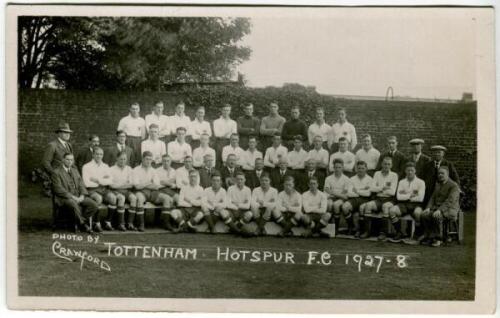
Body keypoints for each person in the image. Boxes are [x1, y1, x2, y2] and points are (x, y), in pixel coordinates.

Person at [51, 152, 101, 233]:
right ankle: (83, 225)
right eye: (67, 159)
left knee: (94, 205)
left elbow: (81, 184)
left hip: (78, 196)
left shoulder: (75, 170)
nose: (69, 162)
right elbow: (58, 189)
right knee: (73, 204)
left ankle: (77, 222)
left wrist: (82, 195)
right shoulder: (56, 172)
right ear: (63, 160)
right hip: (64, 198)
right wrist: (72, 197)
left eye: (71, 160)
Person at [132, 151, 173, 232]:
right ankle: (141, 224)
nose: (148, 161)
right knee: (139, 199)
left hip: (153, 192)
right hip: (141, 192)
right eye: (147, 159)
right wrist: (149, 182)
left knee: (167, 198)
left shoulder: (153, 170)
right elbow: (137, 186)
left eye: (150, 159)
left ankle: (166, 223)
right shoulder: (136, 170)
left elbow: (157, 186)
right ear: (142, 159)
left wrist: (144, 184)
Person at [421, 166, 461, 247]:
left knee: (437, 216)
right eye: (439, 173)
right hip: (437, 208)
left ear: (447, 174)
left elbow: (450, 201)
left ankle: (439, 239)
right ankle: (429, 237)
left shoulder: (454, 186)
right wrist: (428, 208)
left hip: (450, 209)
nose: (440, 175)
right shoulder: (438, 184)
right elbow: (432, 197)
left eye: (442, 173)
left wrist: (440, 210)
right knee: (424, 215)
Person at [388, 162, 426, 242]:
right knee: (392, 211)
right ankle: (399, 232)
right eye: (408, 170)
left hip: (417, 204)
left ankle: (417, 233)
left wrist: (405, 194)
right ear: (405, 171)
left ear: (415, 171)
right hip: (404, 204)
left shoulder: (421, 182)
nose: (410, 172)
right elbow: (399, 197)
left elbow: (420, 198)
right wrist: (410, 195)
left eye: (412, 170)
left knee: (418, 213)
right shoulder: (402, 182)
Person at [364, 156, 398, 240]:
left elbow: (392, 192)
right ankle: (367, 231)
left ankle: (383, 233)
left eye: (388, 164)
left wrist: (378, 188)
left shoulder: (394, 175)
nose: (386, 166)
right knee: (368, 205)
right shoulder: (377, 174)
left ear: (391, 165)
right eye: (385, 164)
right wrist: (383, 188)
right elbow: (372, 188)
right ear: (382, 164)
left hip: (390, 199)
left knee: (385, 207)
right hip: (378, 198)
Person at [81, 147, 115, 230]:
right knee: (98, 198)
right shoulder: (86, 166)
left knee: (113, 198)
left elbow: (110, 181)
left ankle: (108, 222)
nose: (99, 156)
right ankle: (97, 222)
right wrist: (103, 179)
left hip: (103, 189)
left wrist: (97, 180)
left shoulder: (105, 166)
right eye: (97, 154)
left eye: (101, 154)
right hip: (91, 190)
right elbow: (87, 183)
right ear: (93, 155)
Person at [341, 161, 373, 238]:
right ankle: (351, 227)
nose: (361, 170)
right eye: (359, 168)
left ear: (366, 169)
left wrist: (357, 190)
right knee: (345, 207)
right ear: (356, 169)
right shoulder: (352, 179)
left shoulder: (370, 179)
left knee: (362, 209)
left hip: (365, 199)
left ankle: (360, 230)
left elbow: (368, 194)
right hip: (354, 199)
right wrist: (362, 190)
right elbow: (349, 193)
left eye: (362, 168)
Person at [109, 151, 137, 231]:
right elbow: (111, 185)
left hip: (126, 191)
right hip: (115, 191)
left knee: (134, 198)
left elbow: (131, 184)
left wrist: (118, 184)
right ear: (117, 158)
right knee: (121, 198)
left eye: (124, 159)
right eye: (121, 159)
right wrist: (124, 184)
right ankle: (121, 223)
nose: (123, 161)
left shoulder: (129, 169)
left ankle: (130, 223)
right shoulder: (111, 169)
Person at [324, 158, 351, 230]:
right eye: (336, 167)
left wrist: (333, 192)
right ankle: (329, 226)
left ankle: (337, 227)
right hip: (331, 197)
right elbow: (326, 190)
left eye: (339, 167)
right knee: (329, 204)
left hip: (341, 198)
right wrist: (334, 194)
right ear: (333, 168)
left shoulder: (346, 179)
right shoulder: (328, 178)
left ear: (342, 168)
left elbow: (345, 194)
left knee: (336, 205)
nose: (337, 169)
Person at [213, 104, 237, 168]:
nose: (226, 112)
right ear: (221, 110)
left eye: (228, 110)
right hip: (219, 143)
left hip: (229, 143)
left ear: (230, 111)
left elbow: (233, 134)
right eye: (224, 110)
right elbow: (217, 134)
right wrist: (227, 133)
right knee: (218, 160)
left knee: (229, 159)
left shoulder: (233, 122)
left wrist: (223, 134)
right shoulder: (216, 121)